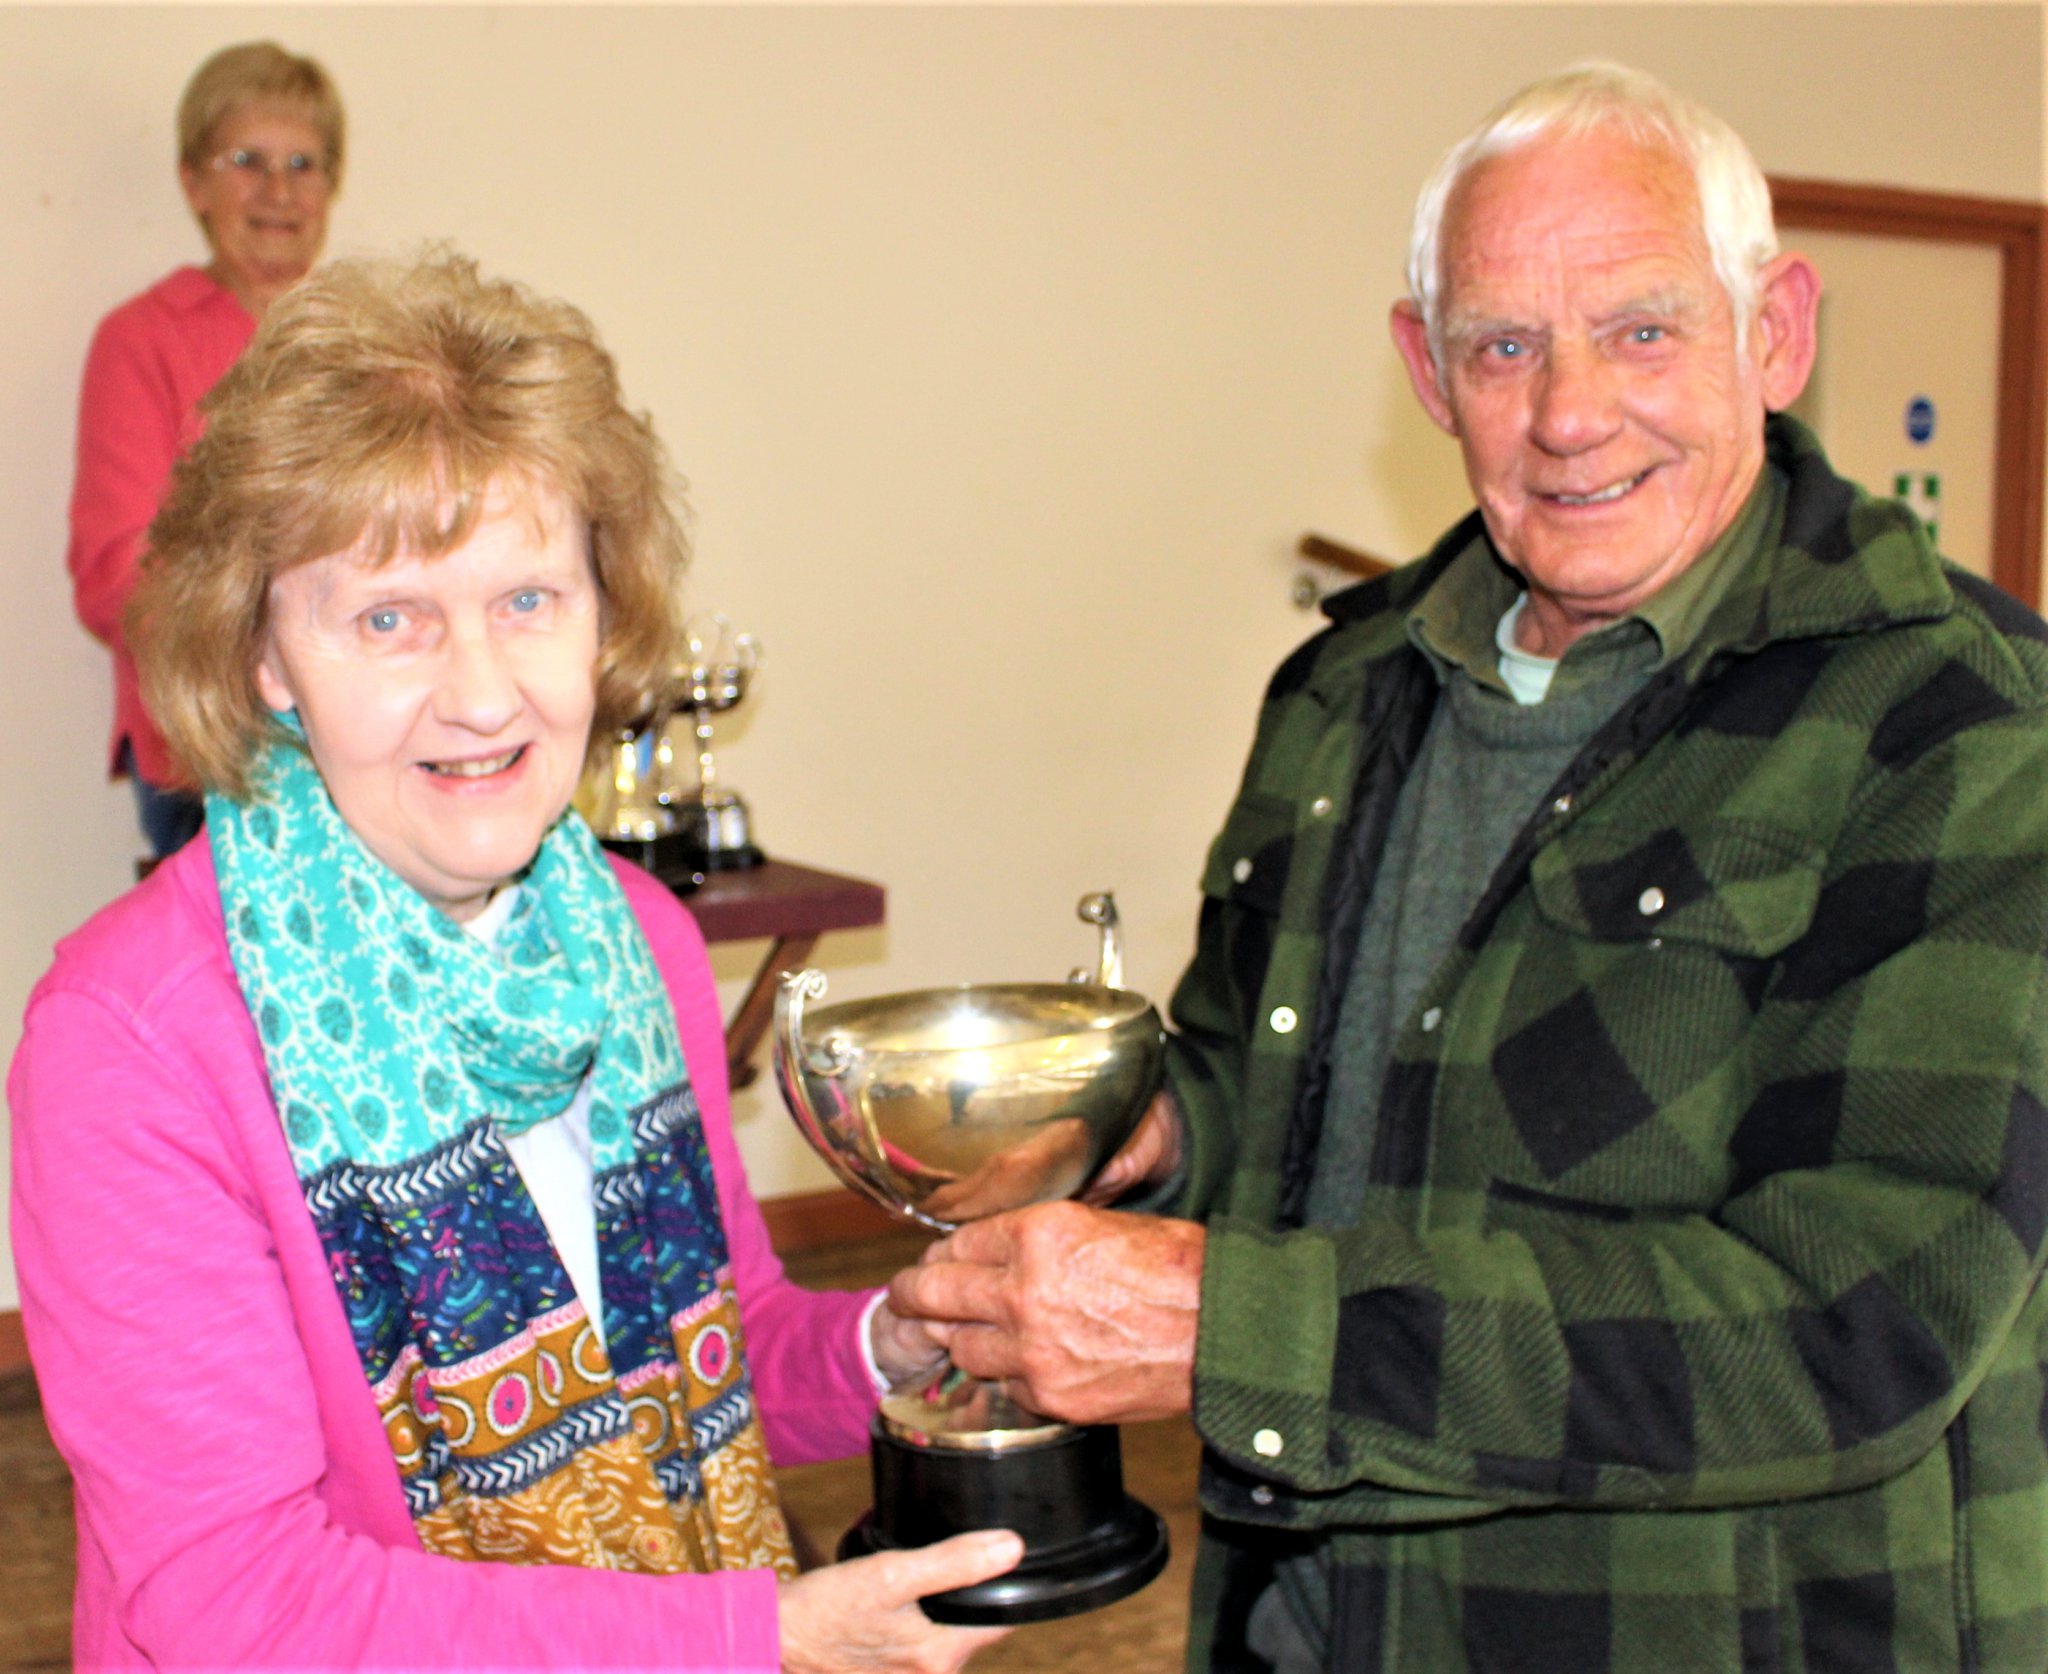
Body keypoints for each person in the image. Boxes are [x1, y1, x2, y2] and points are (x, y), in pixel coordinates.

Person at [889, 62, 2048, 1672]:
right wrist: (1150, 1137)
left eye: (1642, 329)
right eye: (1504, 345)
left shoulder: (1962, 724)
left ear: (1774, 332)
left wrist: (1226, 1326)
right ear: (1426, 369)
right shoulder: (1344, 688)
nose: (1569, 413)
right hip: (1313, 1621)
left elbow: (1855, 1320)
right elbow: (1268, 1079)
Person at [11, 251, 1022, 1672]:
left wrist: (892, 1345)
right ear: (265, 659)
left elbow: (711, 1348)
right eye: (389, 618)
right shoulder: (136, 1038)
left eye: (530, 600)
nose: (482, 696)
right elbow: (234, 1600)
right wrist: (753, 1639)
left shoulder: (634, 937)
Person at [67, 41, 344, 860]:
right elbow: (116, 576)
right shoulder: (140, 341)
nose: (279, 191)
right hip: (212, 754)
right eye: (247, 161)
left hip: (371, 730)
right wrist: (282, 651)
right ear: (193, 183)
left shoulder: (369, 341)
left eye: (303, 163)